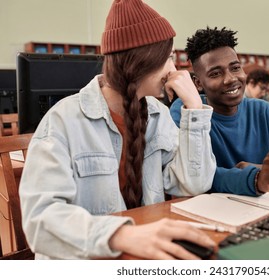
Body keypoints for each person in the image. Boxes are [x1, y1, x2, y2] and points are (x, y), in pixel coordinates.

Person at [19, 0, 216, 260]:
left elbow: (194, 184)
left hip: (138, 256)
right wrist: (121, 236)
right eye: (169, 58)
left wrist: (194, 108)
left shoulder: (158, 115)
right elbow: (40, 220)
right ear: (141, 61)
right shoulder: (63, 120)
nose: (174, 70)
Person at [170, 27, 269, 196]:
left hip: (259, 207)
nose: (231, 79)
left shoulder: (262, 111)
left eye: (235, 68)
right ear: (198, 83)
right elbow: (194, 176)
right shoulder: (188, 112)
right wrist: (255, 178)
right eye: (215, 73)